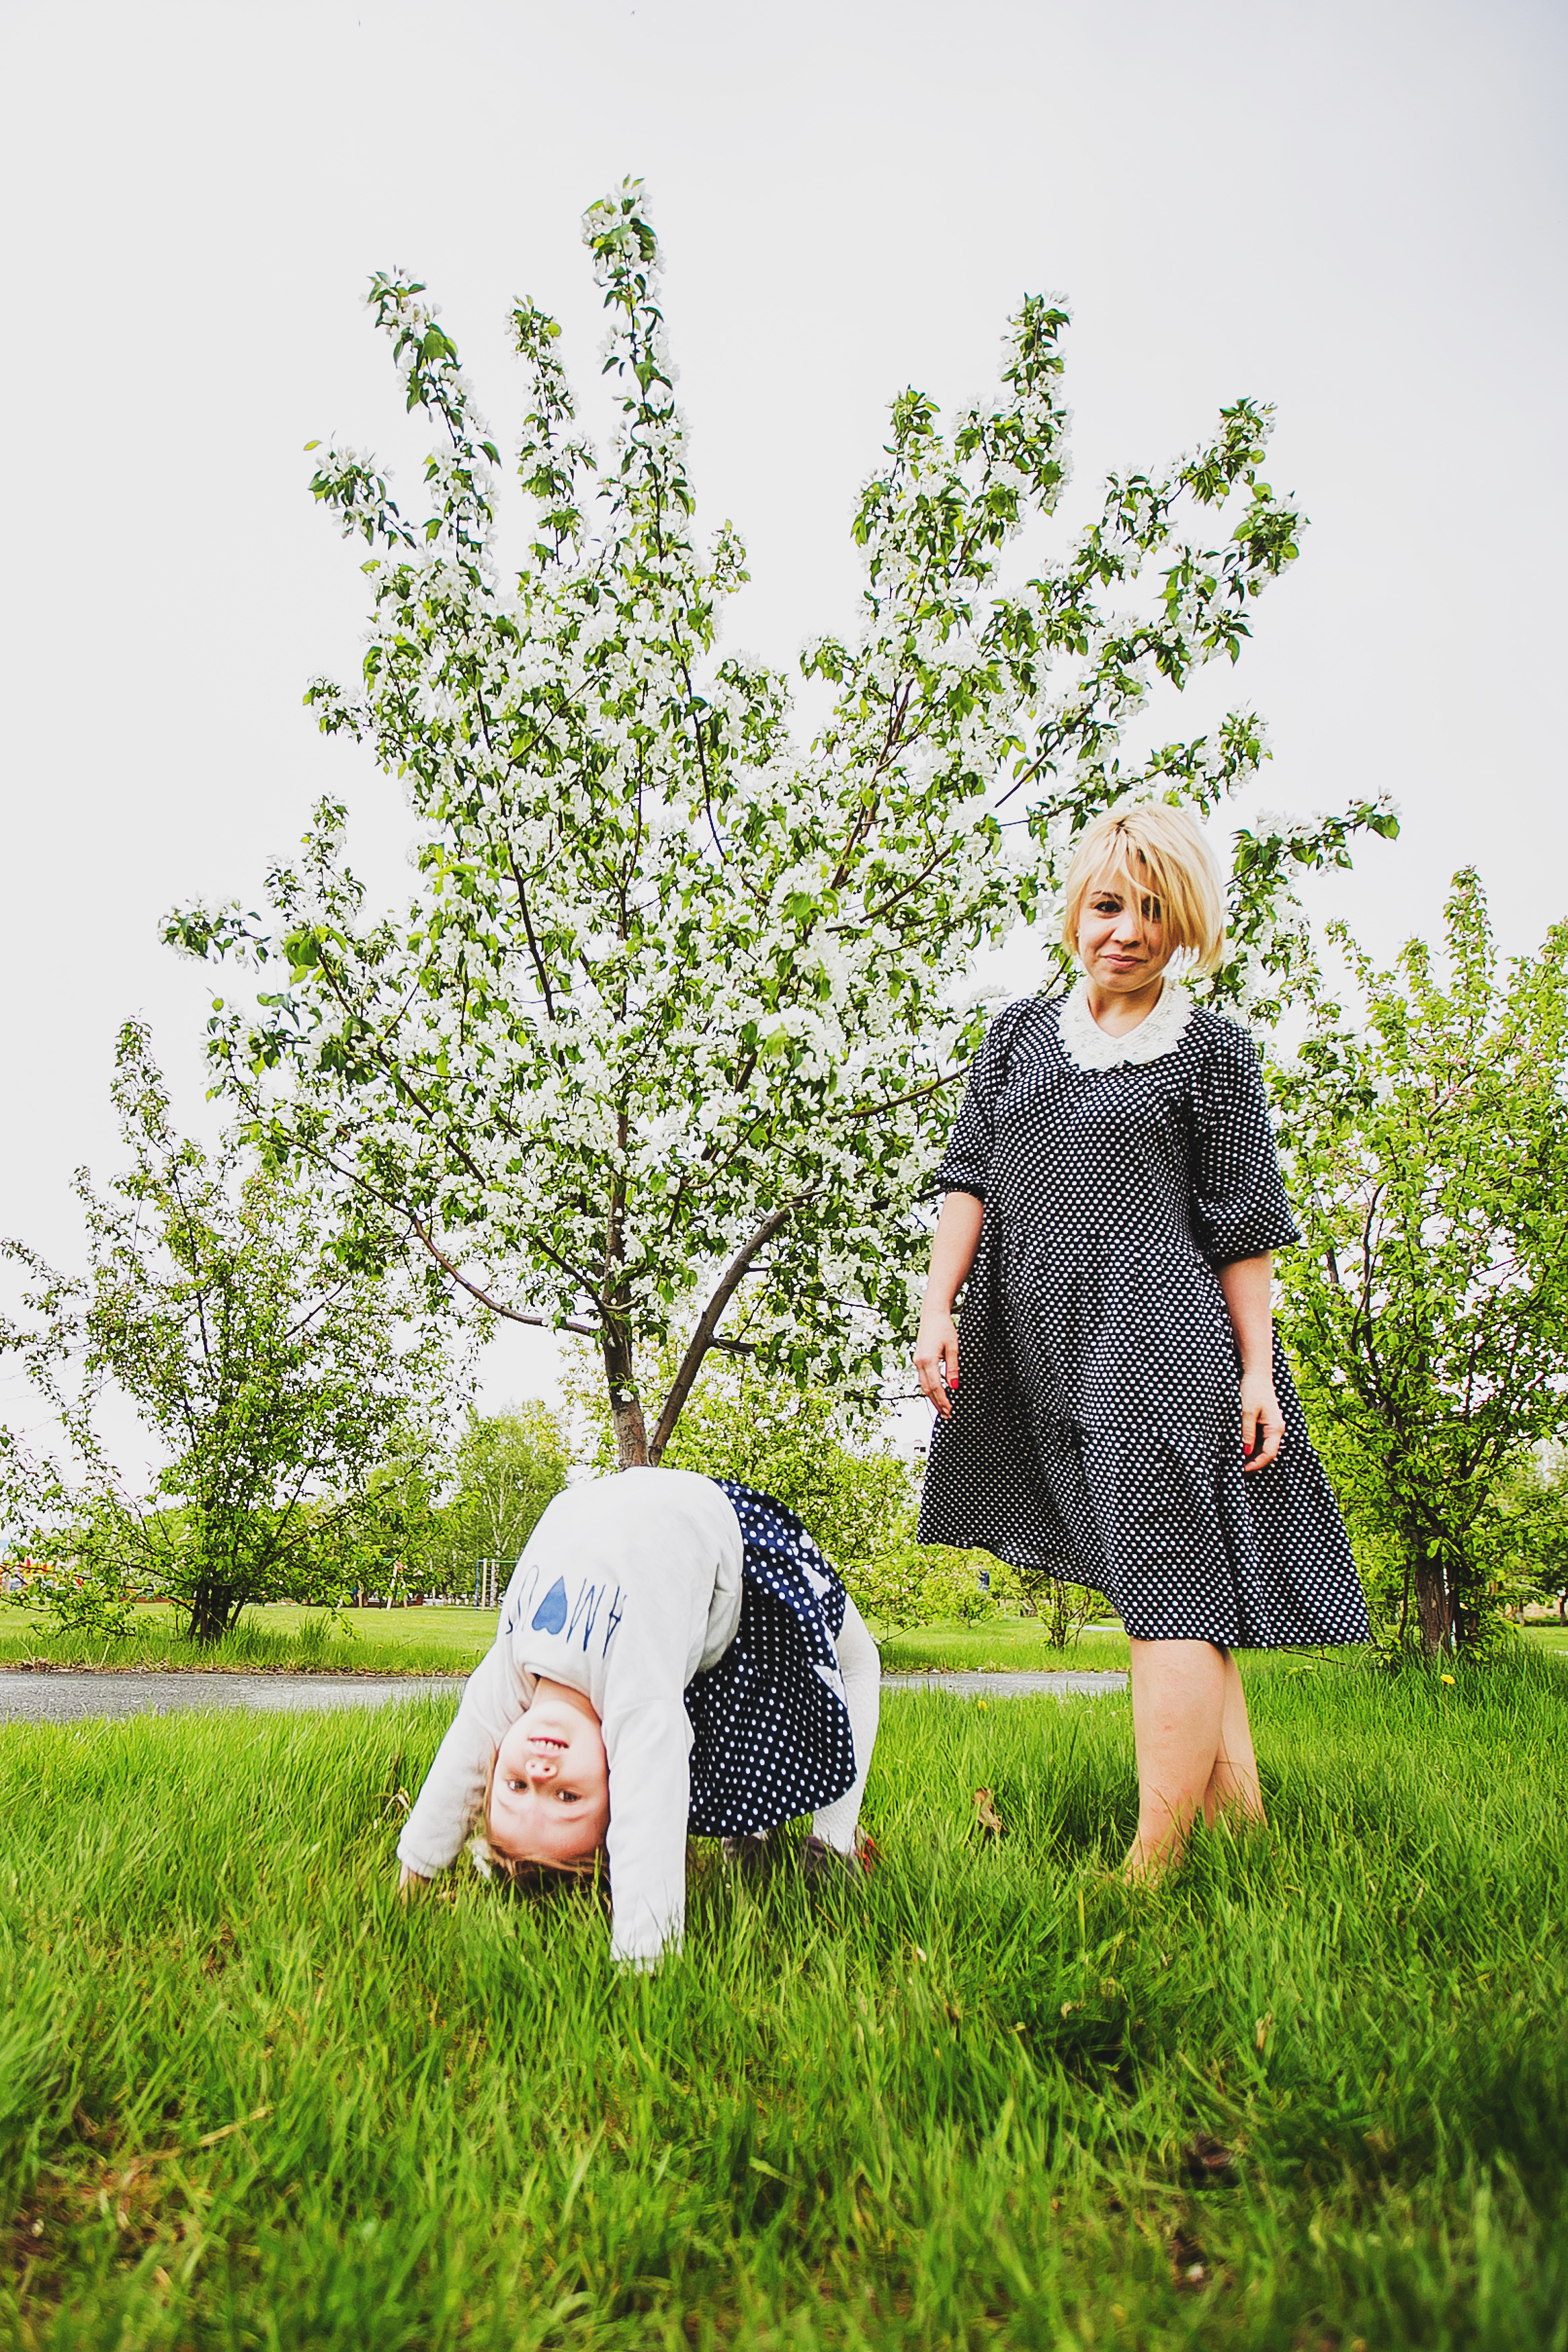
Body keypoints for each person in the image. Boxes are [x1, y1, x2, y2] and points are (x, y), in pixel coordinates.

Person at [913, 802, 1368, 1877]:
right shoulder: (1017, 1035)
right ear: (1076, 908)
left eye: (1153, 911)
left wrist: (1258, 1372)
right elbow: (968, 1176)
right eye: (1108, 903)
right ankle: (1238, 1827)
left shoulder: (1209, 1050)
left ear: (1186, 929)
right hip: (1037, 1338)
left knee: (1166, 1583)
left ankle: (1152, 1860)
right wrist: (939, 1306)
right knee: (1166, 1585)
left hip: (1160, 1340)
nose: (1125, 929)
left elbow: (1244, 1222)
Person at [395, 1468, 880, 1966]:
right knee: (857, 1662)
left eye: (516, 1786)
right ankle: (830, 1852)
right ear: (616, 1785)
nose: (539, 1770)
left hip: (696, 1515)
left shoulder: (514, 1664)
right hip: (720, 1552)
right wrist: (643, 1961)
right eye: (566, 1796)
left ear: (496, 1762)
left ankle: (759, 1839)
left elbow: (460, 1762)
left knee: (777, 1681)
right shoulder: (635, 1696)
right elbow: (649, 1816)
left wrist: (411, 1884)